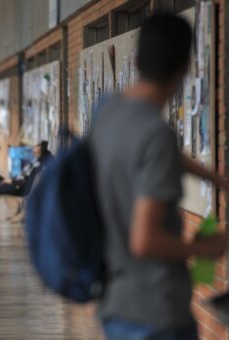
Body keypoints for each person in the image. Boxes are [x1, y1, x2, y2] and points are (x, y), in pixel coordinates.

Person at [89, 13, 227, 339]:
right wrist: (205, 250)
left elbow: (147, 151)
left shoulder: (108, 114)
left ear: (136, 61)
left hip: (115, 303)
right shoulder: (156, 135)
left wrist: (214, 178)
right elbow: (145, 240)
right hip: (155, 312)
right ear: (185, 68)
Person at [0, 141, 51, 224]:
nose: (33, 148)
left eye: (36, 146)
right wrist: (10, 180)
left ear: (40, 148)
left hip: (18, 187)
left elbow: (29, 182)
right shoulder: (37, 160)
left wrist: (12, 181)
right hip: (14, 182)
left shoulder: (41, 165)